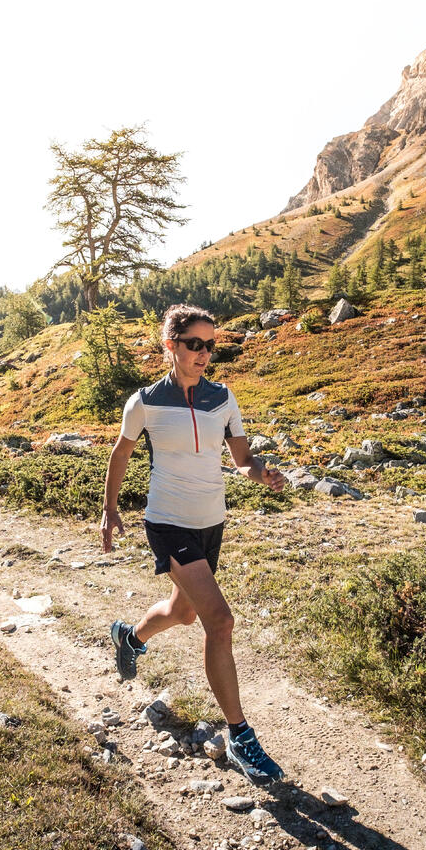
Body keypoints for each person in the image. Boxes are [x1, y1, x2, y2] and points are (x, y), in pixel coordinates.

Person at [101, 303, 289, 783]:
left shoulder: (223, 398)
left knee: (184, 612)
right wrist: (110, 509)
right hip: (168, 522)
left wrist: (260, 473)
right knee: (219, 621)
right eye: (194, 344)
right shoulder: (144, 401)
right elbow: (121, 454)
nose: (205, 353)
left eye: (211, 344)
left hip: (211, 522)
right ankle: (241, 737)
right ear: (171, 346)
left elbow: (241, 457)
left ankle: (130, 637)